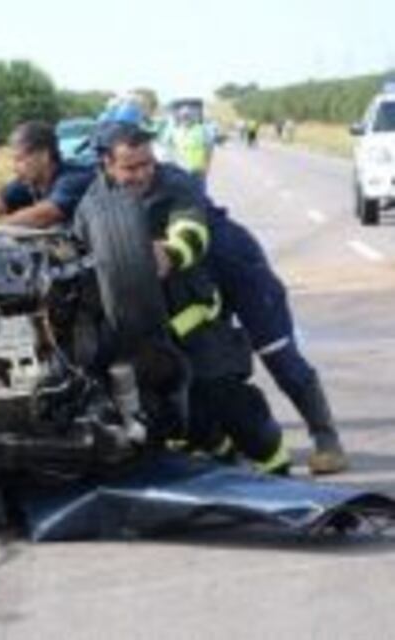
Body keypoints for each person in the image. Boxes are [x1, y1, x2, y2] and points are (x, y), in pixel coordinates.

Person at [76, 121, 290, 474]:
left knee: (234, 405)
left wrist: (169, 254)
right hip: (143, 332)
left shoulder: (175, 183)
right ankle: (218, 456)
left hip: (197, 321)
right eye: (131, 167)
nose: (143, 173)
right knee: (176, 414)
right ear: (106, 164)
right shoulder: (91, 206)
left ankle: (277, 469)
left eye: (148, 163)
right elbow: (81, 253)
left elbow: (192, 231)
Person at [0, 121, 95, 227]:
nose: (14, 168)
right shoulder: (32, 181)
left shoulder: (74, 179)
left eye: (20, 159)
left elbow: (44, 215)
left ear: (44, 156)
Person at [161, 106, 214, 190]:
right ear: (180, 117)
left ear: (192, 116)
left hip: (197, 170)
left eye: (188, 116)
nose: (185, 118)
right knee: (183, 197)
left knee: (199, 196)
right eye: (183, 116)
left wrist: (207, 166)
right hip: (181, 170)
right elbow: (165, 148)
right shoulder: (175, 131)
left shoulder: (202, 129)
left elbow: (209, 148)